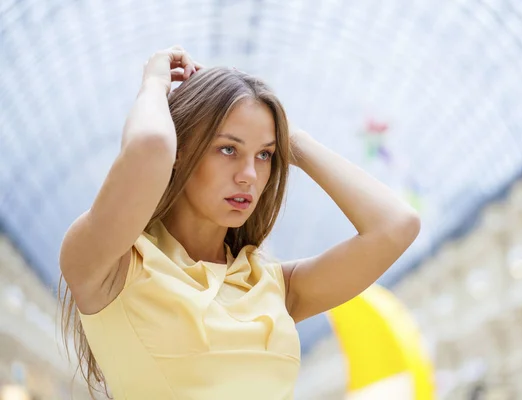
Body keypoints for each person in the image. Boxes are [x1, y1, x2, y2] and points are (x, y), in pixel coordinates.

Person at [58, 44, 421, 399]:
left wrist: (292, 141)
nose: (249, 175)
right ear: (179, 150)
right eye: (228, 149)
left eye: (264, 155)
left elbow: (396, 225)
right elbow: (150, 145)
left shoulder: (274, 286)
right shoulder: (112, 266)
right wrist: (154, 82)